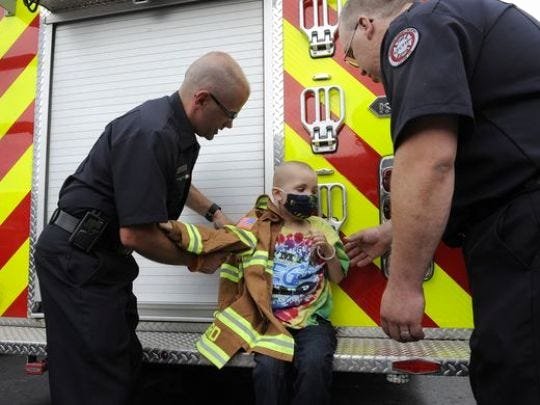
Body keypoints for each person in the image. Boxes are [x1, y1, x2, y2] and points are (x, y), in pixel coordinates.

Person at [338, 0, 540, 403]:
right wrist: (395, 230)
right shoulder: (457, 18)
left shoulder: (417, 26)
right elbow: (495, 159)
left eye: (349, 54)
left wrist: (404, 284)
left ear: (366, 26)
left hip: (526, 227)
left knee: (516, 377)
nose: (359, 70)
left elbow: (430, 162)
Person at [34, 51, 250, 405]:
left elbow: (174, 180)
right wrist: (197, 260)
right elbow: (135, 235)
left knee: (123, 362)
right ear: (202, 99)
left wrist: (215, 213)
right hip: (78, 260)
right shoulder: (151, 132)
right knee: (95, 378)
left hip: (104, 261)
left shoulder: (173, 130)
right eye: (230, 114)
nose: (230, 125)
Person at [160, 161, 350, 405]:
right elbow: (220, 239)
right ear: (278, 195)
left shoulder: (322, 227)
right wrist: (177, 230)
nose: (309, 196)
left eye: (313, 191)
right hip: (269, 321)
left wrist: (327, 251)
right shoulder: (257, 226)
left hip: (313, 322)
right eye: (301, 189)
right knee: (267, 370)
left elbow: (338, 276)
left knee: (314, 366)